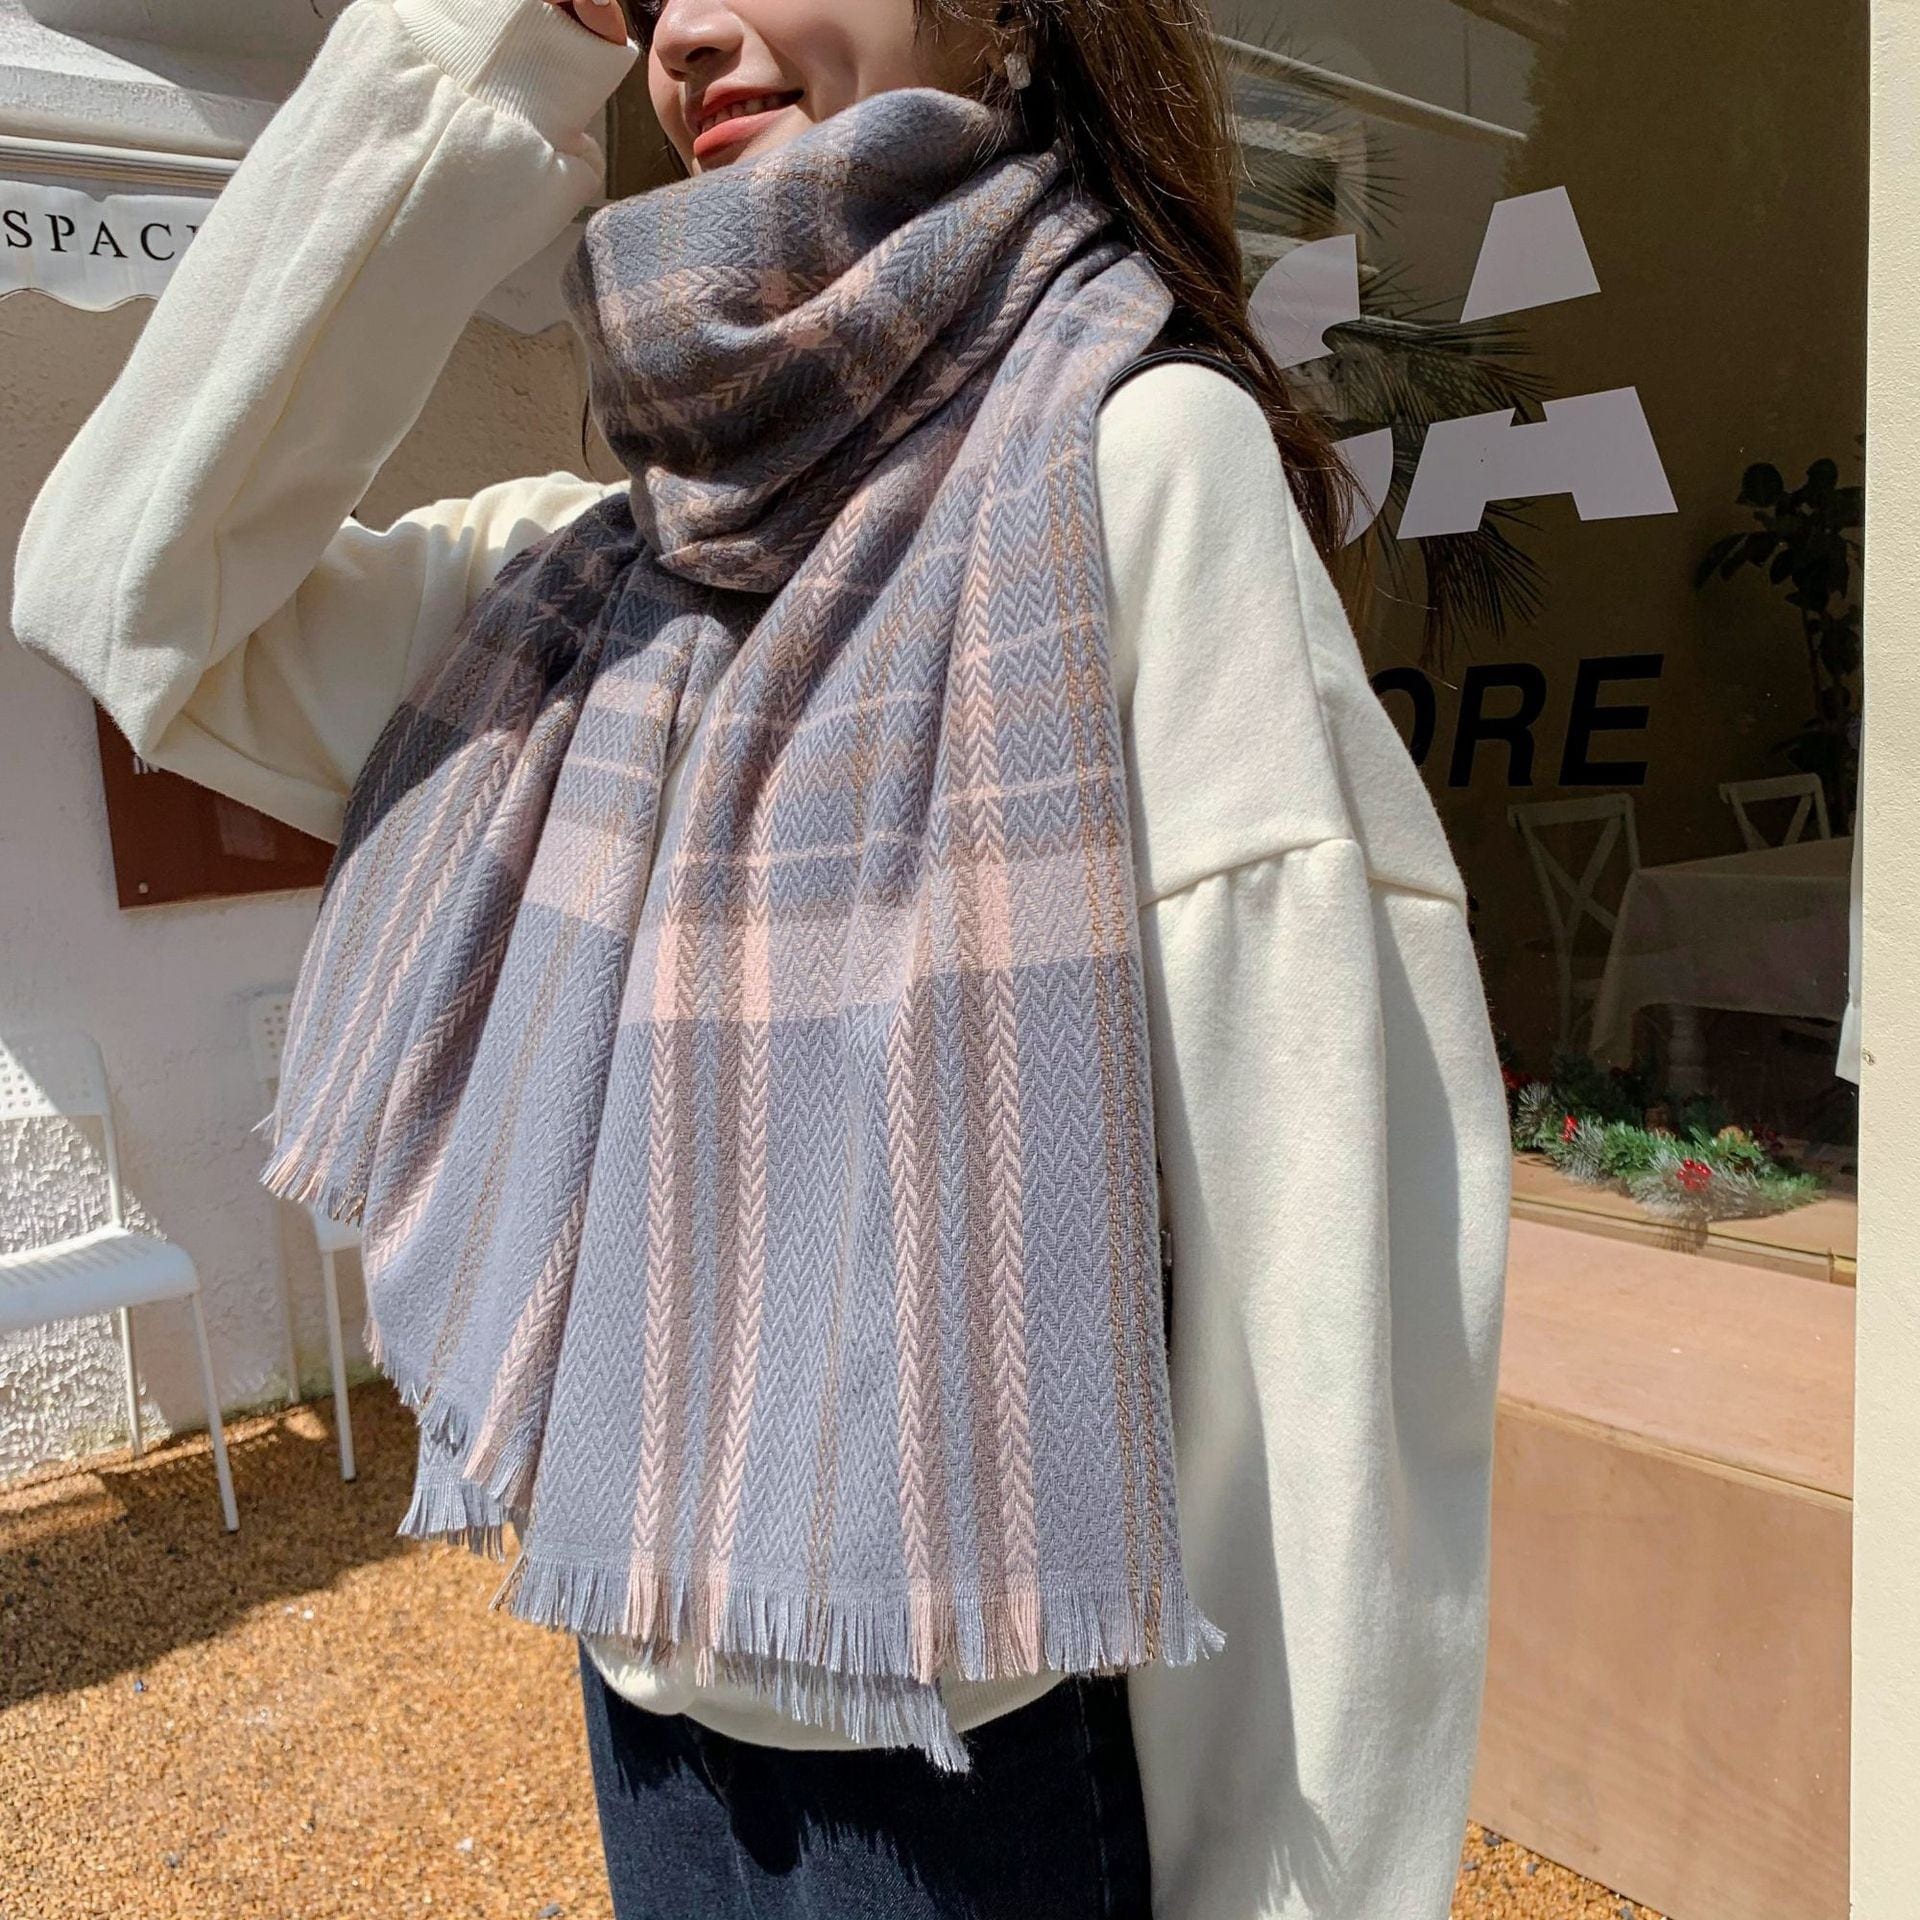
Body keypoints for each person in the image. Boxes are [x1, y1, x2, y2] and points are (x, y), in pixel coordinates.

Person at [9, 1, 1510, 1914]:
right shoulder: (595, 576)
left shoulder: (1128, 461)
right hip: (642, 1686)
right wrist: (493, 44)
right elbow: (121, 589)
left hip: (982, 1759)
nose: (691, 31)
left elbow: (1320, 1284)